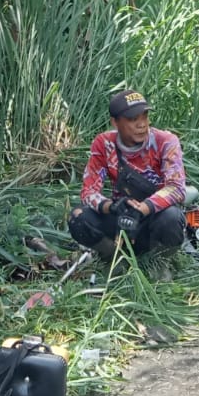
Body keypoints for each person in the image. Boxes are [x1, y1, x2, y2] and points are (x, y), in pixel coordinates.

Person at [68, 90, 187, 265]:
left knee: (172, 218)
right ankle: (115, 258)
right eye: (133, 119)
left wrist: (142, 209)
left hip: (154, 218)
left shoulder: (166, 141)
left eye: (144, 117)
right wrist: (112, 207)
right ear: (115, 122)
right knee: (77, 217)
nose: (142, 125)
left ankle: (159, 263)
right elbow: (88, 191)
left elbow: (176, 188)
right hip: (120, 218)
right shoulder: (104, 143)